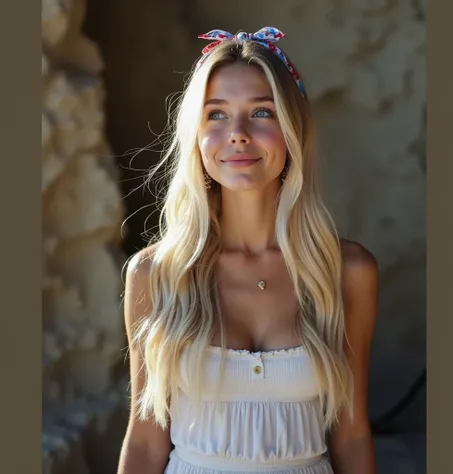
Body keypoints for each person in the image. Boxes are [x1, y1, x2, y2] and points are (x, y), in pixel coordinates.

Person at [117, 27, 378, 474]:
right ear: (195, 137)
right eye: (216, 115)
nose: (237, 134)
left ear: (293, 129)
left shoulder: (346, 271)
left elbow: (351, 436)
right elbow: (144, 441)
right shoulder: (155, 273)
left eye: (261, 112)